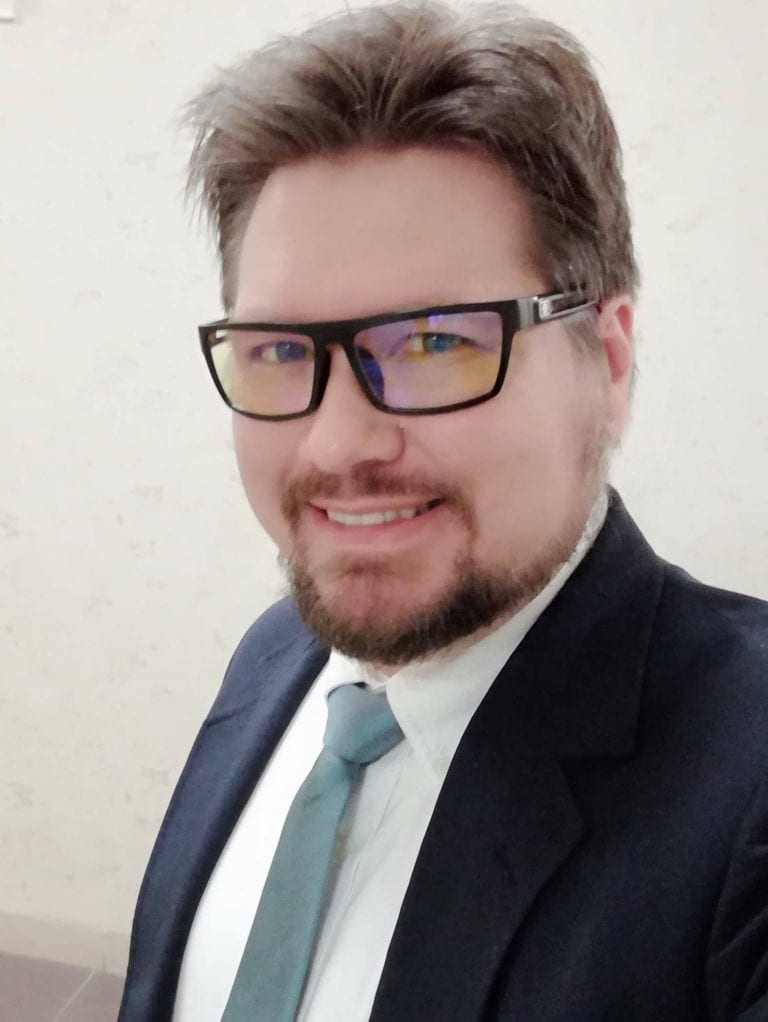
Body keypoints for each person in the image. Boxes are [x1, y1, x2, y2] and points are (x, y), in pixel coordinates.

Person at [117, 3, 768, 1020]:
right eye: (280, 351)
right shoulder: (277, 659)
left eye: (433, 343)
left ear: (608, 359)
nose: (337, 444)